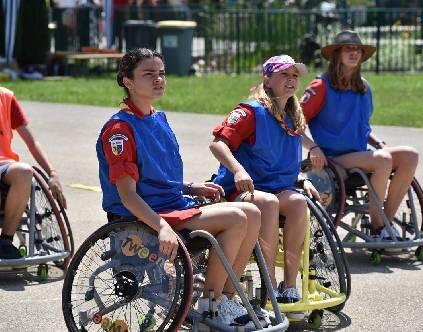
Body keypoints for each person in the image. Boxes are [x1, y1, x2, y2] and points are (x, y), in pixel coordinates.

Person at [96, 48, 262, 327]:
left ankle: (227, 300)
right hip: (143, 215)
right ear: (128, 81)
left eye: (161, 73)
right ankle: (213, 304)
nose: (158, 79)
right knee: (236, 218)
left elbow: (154, 175)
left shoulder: (157, 118)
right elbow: (127, 194)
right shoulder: (119, 130)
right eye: (148, 74)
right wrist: (162, 226)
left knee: (253, 211)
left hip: (171, 205)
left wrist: (191, 187)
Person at [209, 55, 322, 304]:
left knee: (298, 203)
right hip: (242, 189)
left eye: (294, 76)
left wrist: (302, 180)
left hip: (278, 187)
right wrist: (238, 170)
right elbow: (217, 144)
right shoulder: (250, 111)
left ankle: (289, 285)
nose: (291, 80)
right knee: (269, 203)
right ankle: (268, 284)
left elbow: (287, 160)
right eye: (284, 74)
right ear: (267, 79)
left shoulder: (292, 114)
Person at [301, 30, 419, 239]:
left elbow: (363, 127)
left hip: (361, 155)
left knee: (410, 155)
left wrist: (378, 142)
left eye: (358, 49)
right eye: (349, 48)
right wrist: (313, 148)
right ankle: (378, 228)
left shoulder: (363, 87)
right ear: (337, 54)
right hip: (332, 159)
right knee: (382, 160)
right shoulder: (321, 86)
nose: (354, 53)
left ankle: (385, 223)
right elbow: (294, 122)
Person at [0, 87, 67, 259]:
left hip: (4, 165)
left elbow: (32, 141)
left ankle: (5, 242)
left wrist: (52, 173)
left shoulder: (6, 97)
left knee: (24, 171)